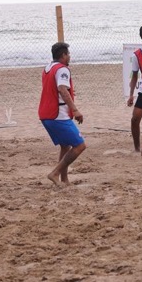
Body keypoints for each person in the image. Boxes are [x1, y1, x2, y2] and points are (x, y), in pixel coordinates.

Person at [39, 42, 86, 187]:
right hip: (57, 115)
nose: (69, 56)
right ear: (63, 55)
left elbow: (56, 89)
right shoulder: (62, 69)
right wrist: (75, 109)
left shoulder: (48, 68)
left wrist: (69, 93)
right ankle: (55, 173)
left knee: (65, 146)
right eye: (68, 54)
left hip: (45, 113)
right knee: (80, 146)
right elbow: (62, 89)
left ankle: (64, 179)